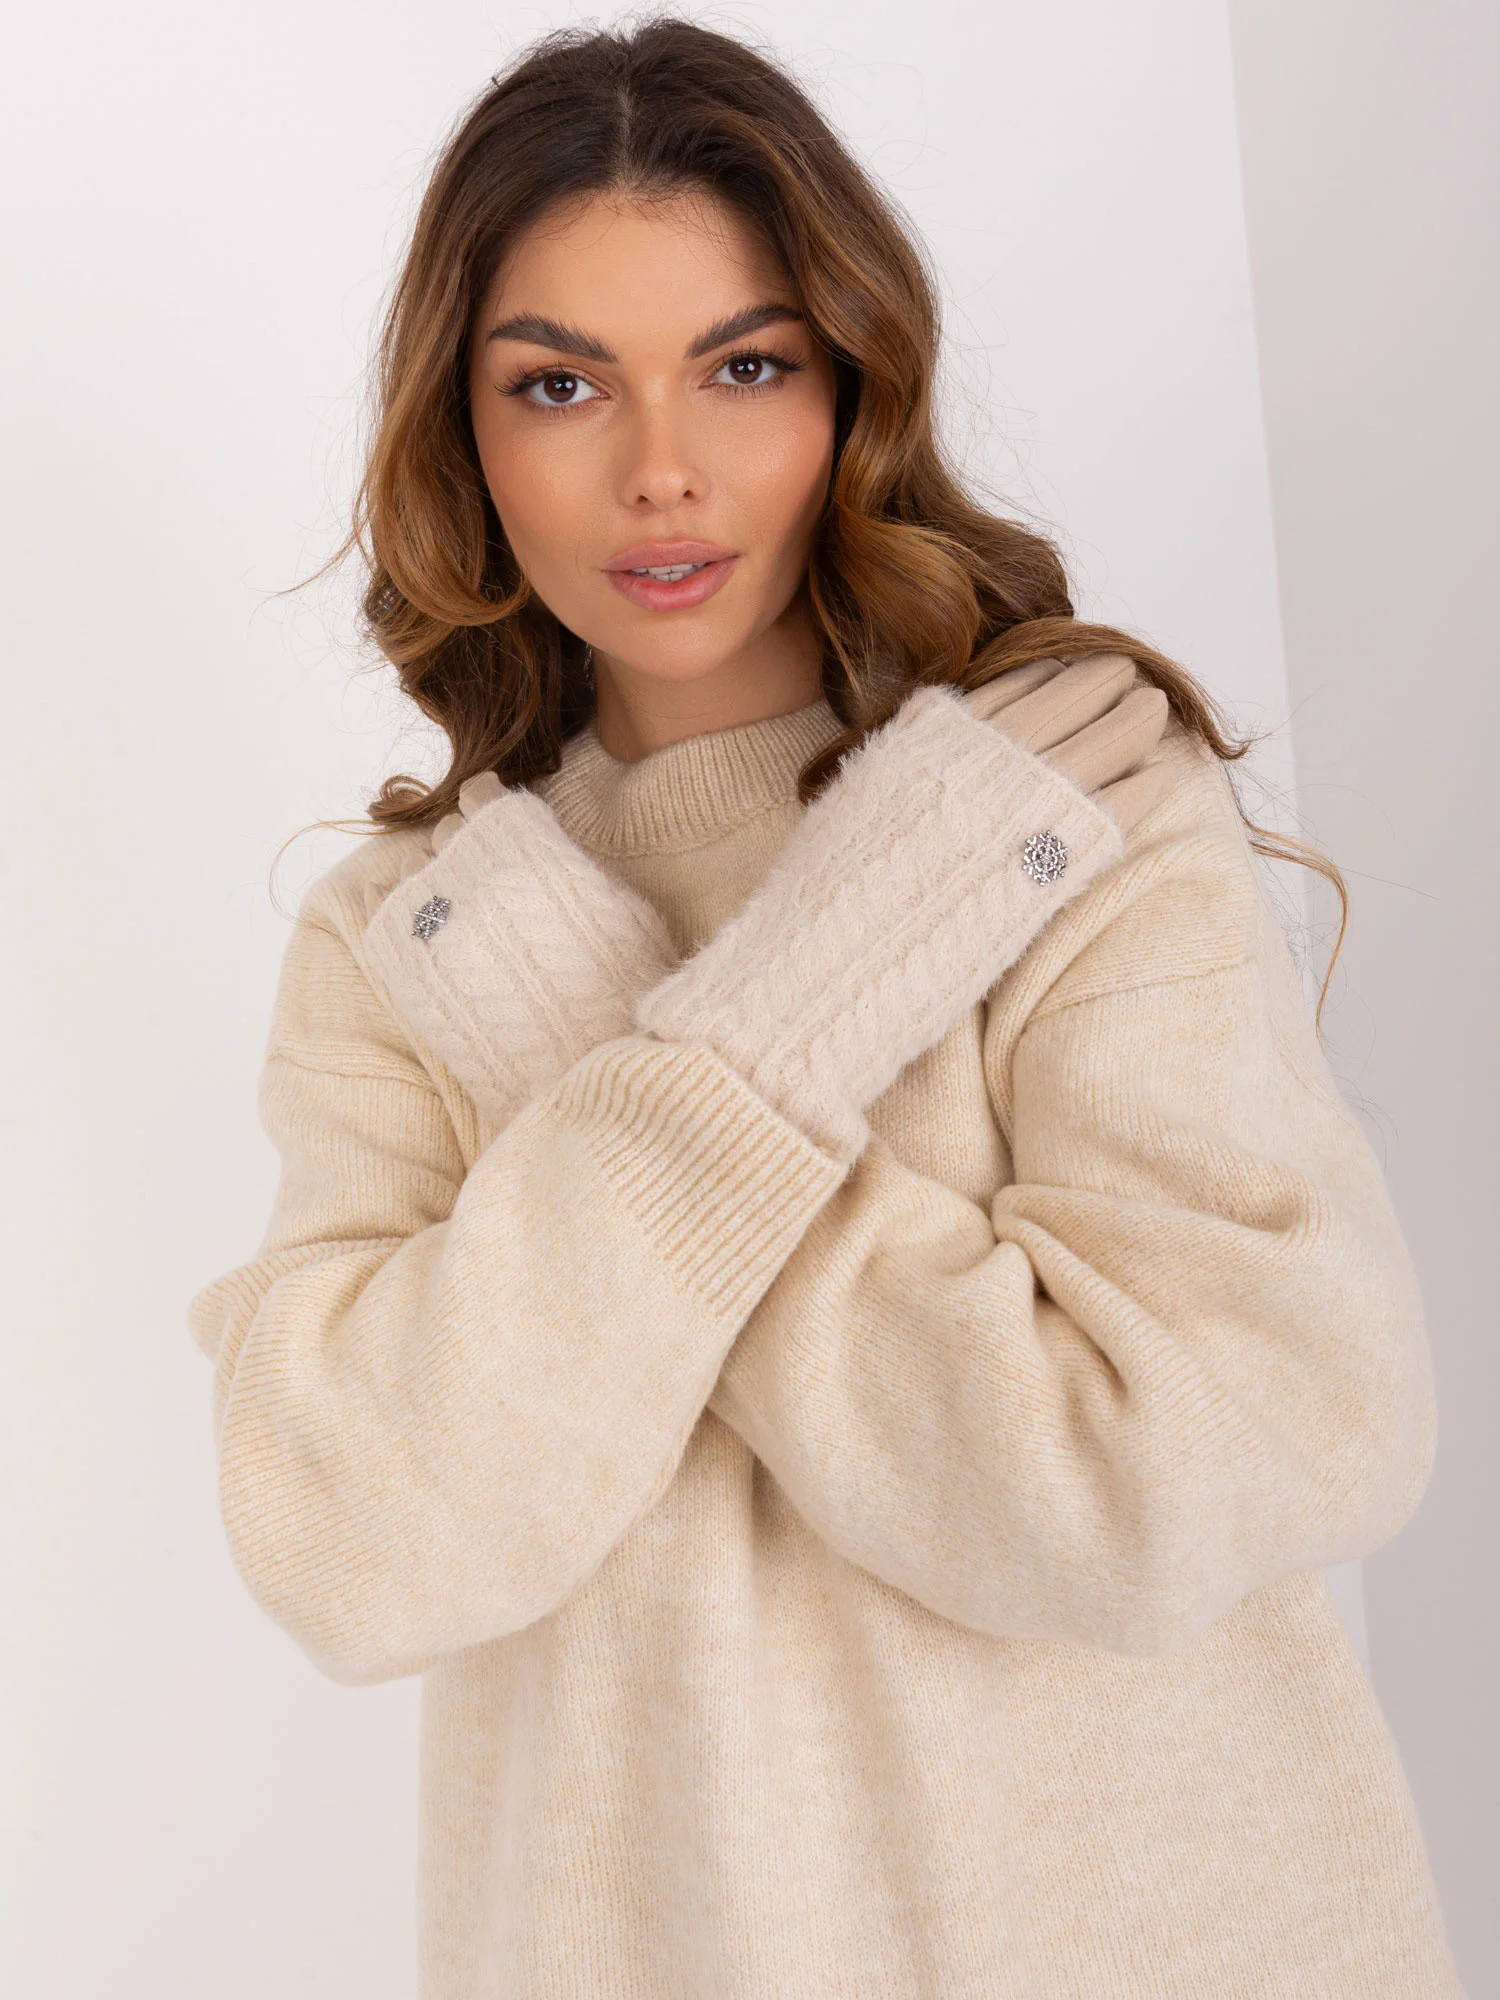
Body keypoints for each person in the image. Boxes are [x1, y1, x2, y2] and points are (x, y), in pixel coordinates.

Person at [188, 17, 1465, 1998]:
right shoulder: (407, 940)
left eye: (746, 365)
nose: (662, 468)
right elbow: (360, 1539)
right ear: (465, 435)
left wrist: (610, 1070)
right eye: (558, 385)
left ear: (852, 385)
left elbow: (1200, 1469)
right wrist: (804, 991)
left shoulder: (1063, 813)